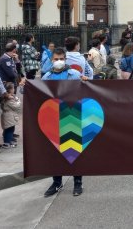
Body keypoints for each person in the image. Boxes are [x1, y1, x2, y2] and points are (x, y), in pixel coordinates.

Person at [42, 48, 84, 197]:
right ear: (52, 60)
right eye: (56, 59)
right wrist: (23, 86)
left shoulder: (75, 75)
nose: (58, 61)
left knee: (74, 150)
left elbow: (85, 89)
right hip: (53, 118)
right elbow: (36, 93)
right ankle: (56, 182)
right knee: (55, 152)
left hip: (72, 116)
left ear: (65, 59)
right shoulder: (46, 76)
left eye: (61, 58)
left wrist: (85, 82)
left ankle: (78, 182)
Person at [0, 83, 21, 149]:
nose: (14, 89)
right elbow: (16, 106)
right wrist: (18, 100)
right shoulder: (9, 99)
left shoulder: (8, 97)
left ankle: (9, 141)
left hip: (9, 116)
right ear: (10, 90)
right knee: (9, 130)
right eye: (13, 88)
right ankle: (7, 143)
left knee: (10, 129)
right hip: (9, 116)